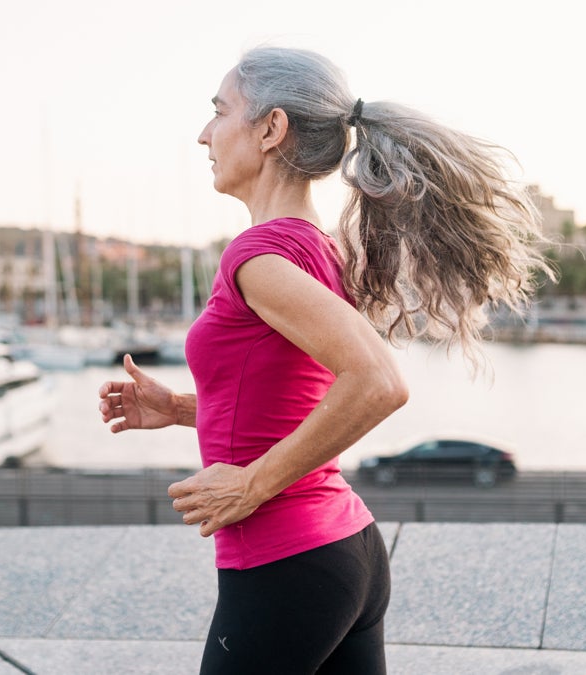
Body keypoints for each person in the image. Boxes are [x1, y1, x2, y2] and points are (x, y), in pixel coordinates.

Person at [97, 46, 550, 674]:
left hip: (286, 565)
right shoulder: (322, 249)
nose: (204, 134)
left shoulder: (259, 258)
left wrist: (251, 484)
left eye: (219, 111)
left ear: (271, 128)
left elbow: (378, 383)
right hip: (344, 550)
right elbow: (292, 390)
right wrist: (179, 409)